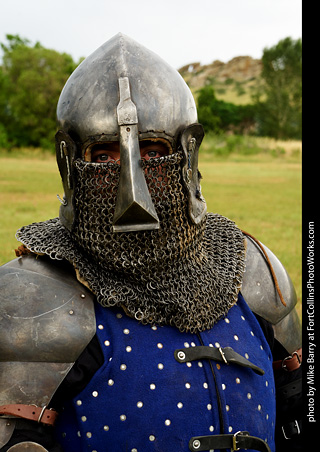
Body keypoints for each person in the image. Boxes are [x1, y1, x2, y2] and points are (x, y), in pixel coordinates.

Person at [0, 33, 302, 452]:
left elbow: (296, 413)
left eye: (151, 150)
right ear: (70, 164)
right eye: (104, 155)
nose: (133, 191)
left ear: (187, 155)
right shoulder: (30, 299)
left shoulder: (256, 273)